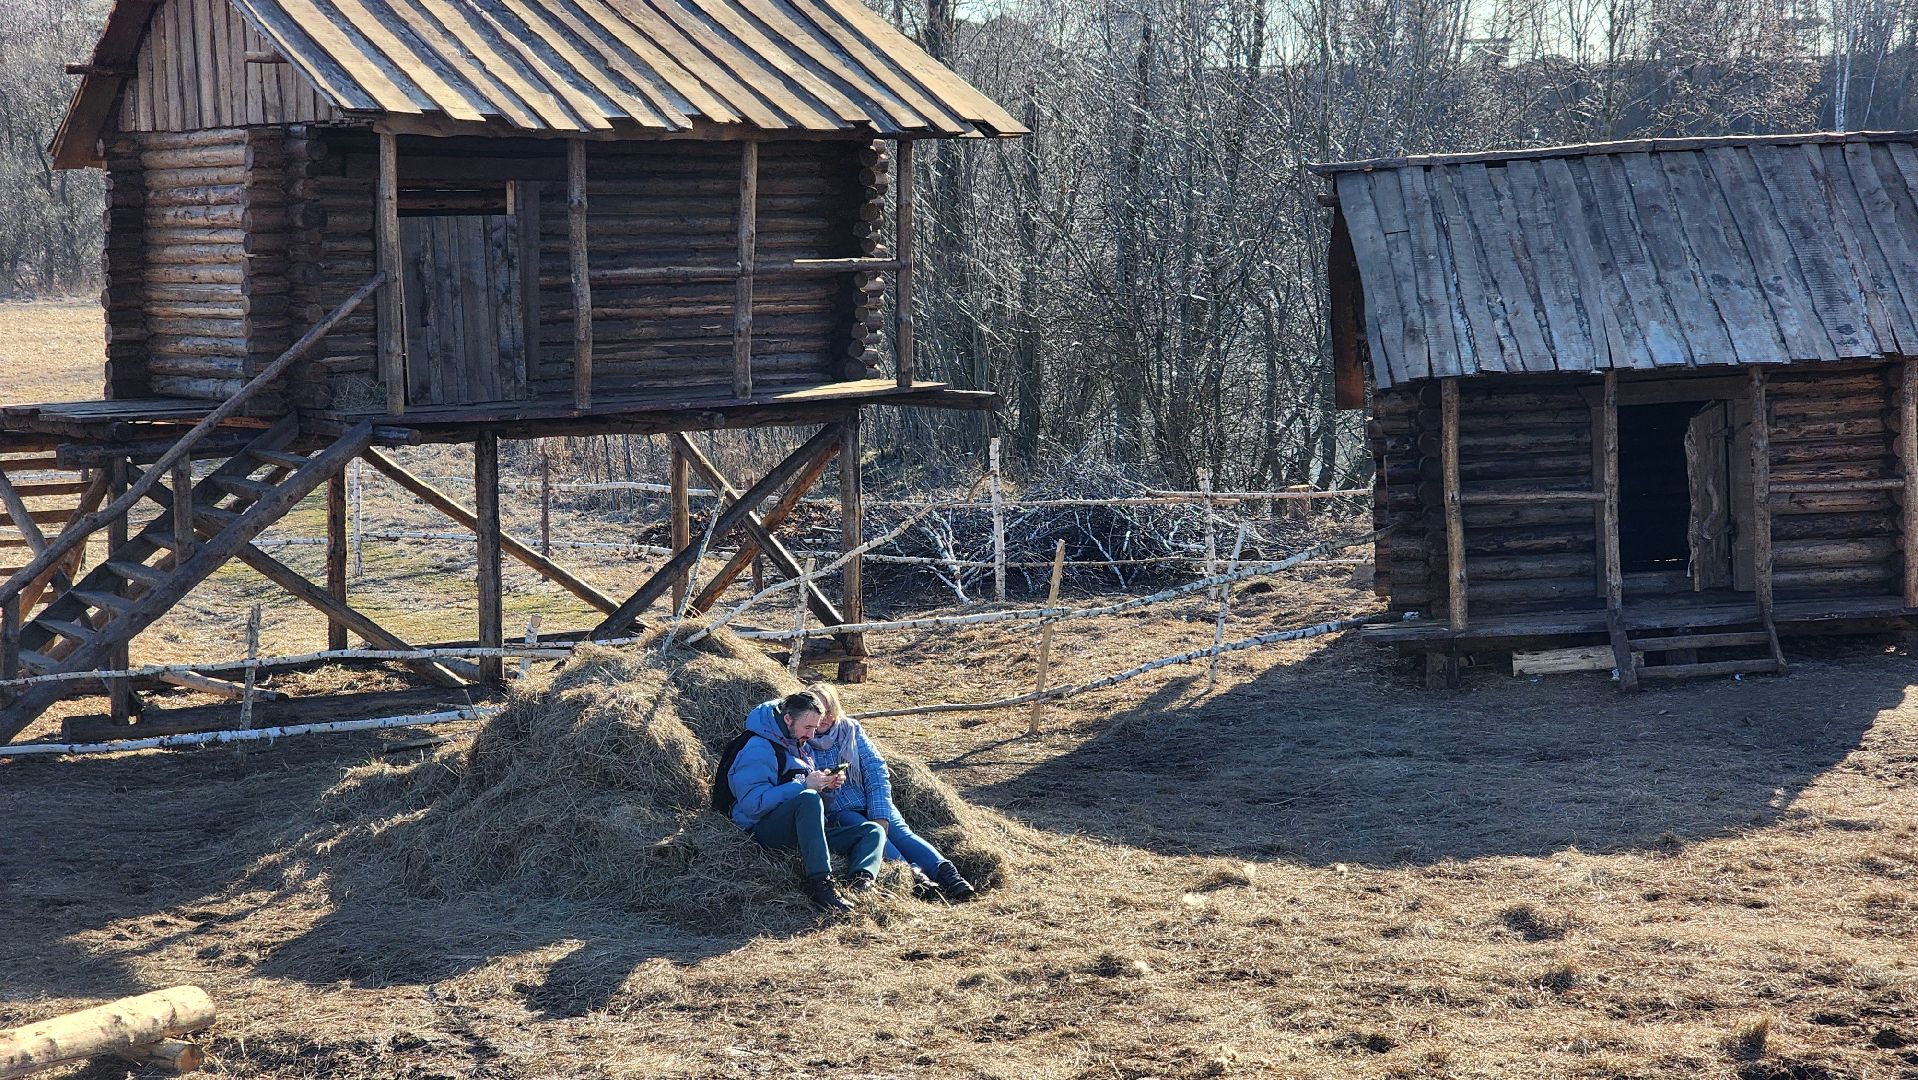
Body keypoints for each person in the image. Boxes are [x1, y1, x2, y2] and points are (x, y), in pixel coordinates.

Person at [804, 682, 977, 901]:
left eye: (831, 709)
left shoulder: (850, 730)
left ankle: (949, 875)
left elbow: (875, 770)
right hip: (839, 808)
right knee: (880, 840)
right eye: (822, 710)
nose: (827, 717)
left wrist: (880, 815)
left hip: (869, 798)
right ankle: (917, 880)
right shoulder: (804, 740)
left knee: (901, 834)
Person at [724, 690, 885, 914]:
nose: (811, 735)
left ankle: (861, 886)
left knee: (873, 831)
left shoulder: (797, 743)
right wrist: (805, 787)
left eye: (815, 728)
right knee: (808, 798)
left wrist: (826, 788)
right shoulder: (758, 747)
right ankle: (821, 886)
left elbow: (814, 810)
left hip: (802, 832)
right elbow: (753, 804)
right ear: (788, 719)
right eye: (808, 727)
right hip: (762, 831)